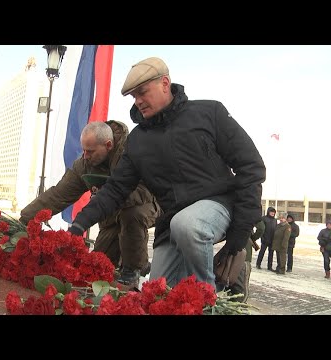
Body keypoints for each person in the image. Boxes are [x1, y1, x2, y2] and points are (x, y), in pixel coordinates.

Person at [67, 56, 266, 290]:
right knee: (157, 291)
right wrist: (80, 223)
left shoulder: (209, 112)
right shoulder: (137, 141)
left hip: (219, 205)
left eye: (143, 92)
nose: (138, 101)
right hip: (171, 221)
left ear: (164, 83)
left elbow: (251, 166)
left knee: (188, 226)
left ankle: (207, 296)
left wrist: (240, 231)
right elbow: (116, 189)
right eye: (134, 96)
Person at [19, 120, 161, 287]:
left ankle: (133, 268)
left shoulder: (132, 152)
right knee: (97, 267)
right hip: (109, 217)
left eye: (91, 151)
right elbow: (58, 195)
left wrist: (107, 198)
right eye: (84, 150)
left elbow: (145, 188)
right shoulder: (84, 165)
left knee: (132, 215)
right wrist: (25, 219)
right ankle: (133, 261)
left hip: (146, 204)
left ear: (108, 145)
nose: (85, 156)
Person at [229, 219, 265, 302]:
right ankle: (239, 304)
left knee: (237, 284)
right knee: (239, 284)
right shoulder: (249, 210)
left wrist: (251, 238)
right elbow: (261, 228)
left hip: (236, 252)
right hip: (241, 252)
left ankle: (239, 304)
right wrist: (251, 238)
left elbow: (261, 228)